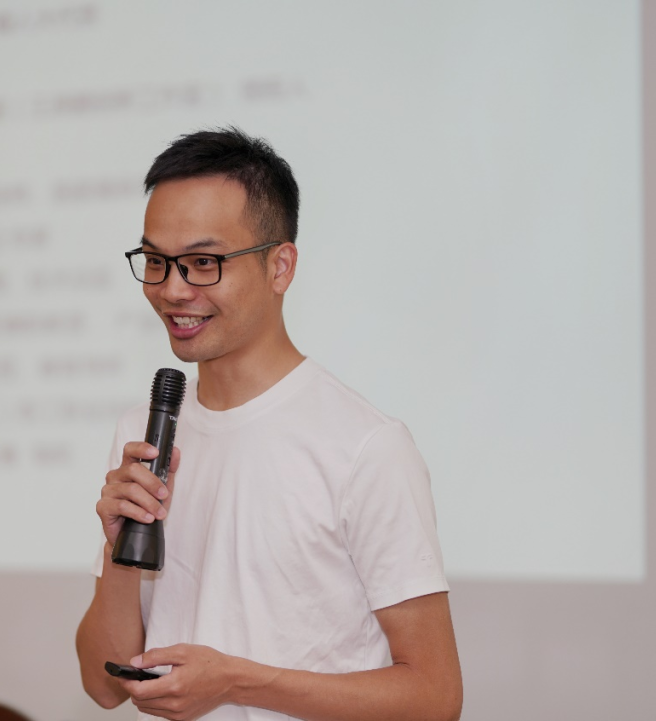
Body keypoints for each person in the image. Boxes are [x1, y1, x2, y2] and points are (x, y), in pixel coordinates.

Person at [75, 127, 463, 721]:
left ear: (280, 266)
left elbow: (435, 697)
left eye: (202, 263)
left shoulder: (366, 447)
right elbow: (104, 686)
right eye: (155, 261)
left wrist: (238, 682)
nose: (172, 290)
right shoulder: (146, 433)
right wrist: (119, 551)